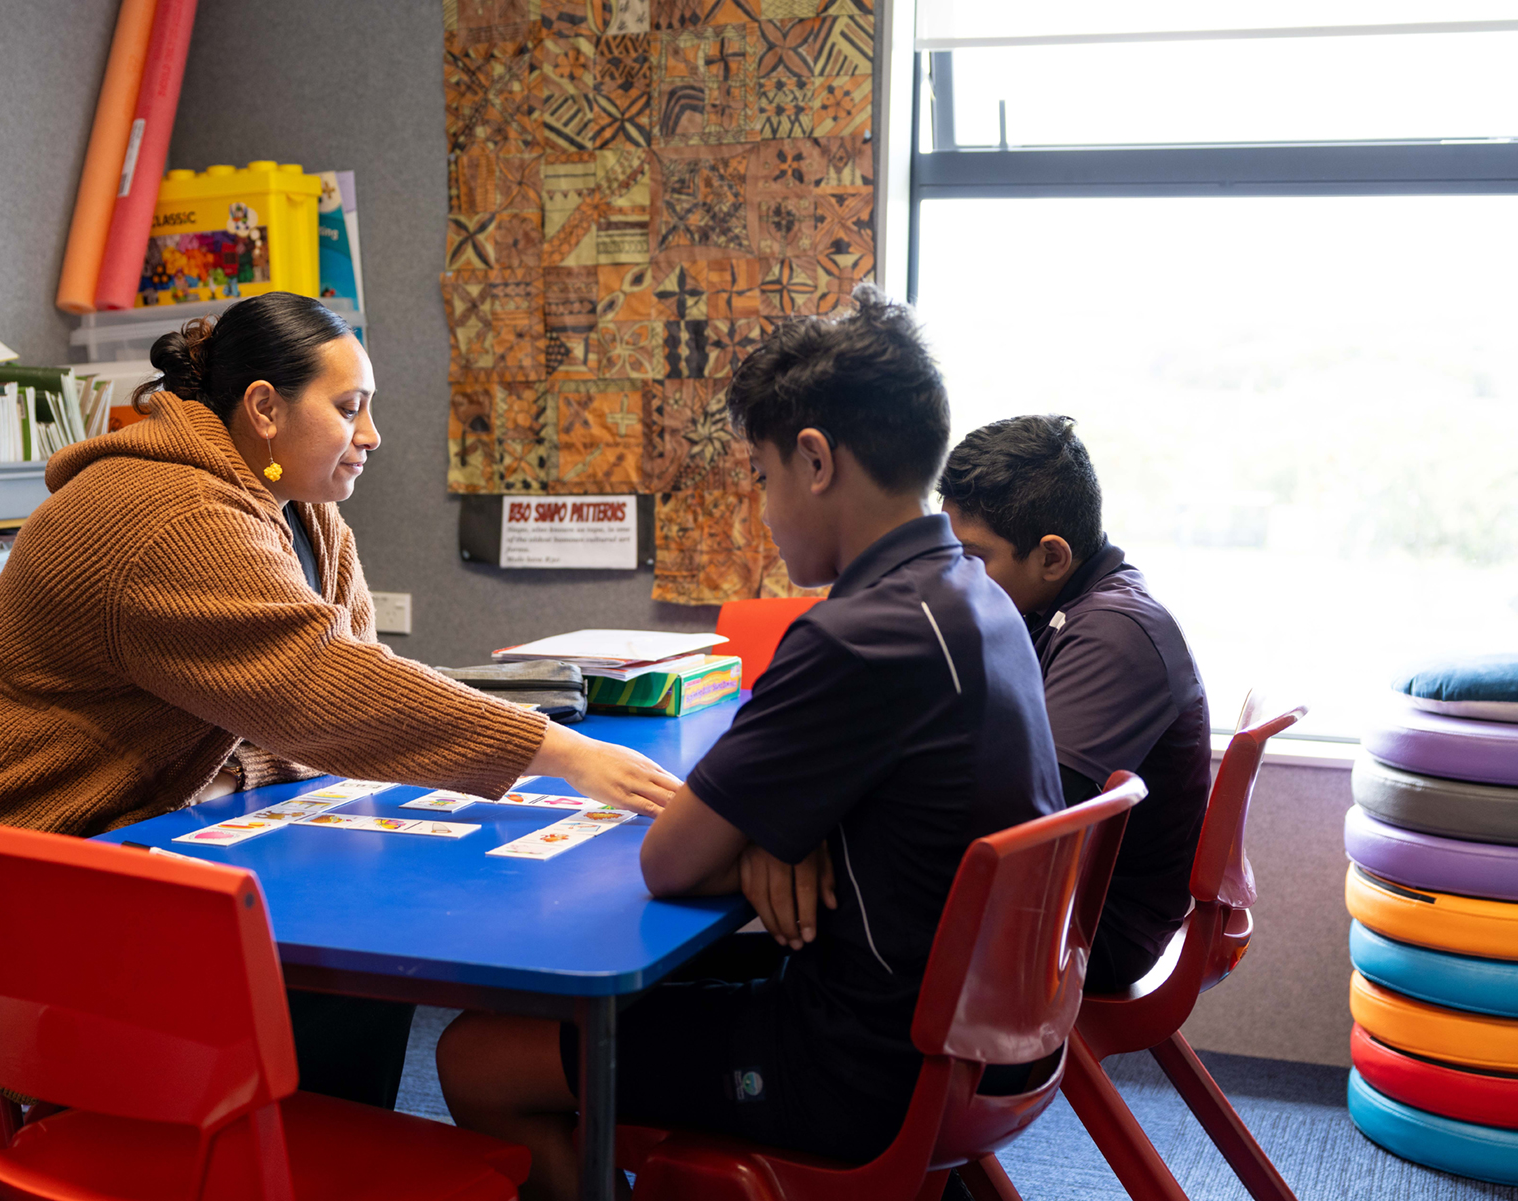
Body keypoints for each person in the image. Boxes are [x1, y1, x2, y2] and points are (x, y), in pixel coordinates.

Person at [0, 292, 681, 1106]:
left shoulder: (300, 512)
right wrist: (560, 750)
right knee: (342, 975)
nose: (372, 435)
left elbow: (326, 681)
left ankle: (304, 1162)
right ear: (266, 408)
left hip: (103, 844)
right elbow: (322, 686)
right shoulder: (166, 514)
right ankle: (265, 1163)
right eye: (350, 408)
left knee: (358, 954)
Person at [436, 285, 1064, 1200]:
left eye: (763, 476)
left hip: (860, 1069)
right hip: (981, 1038)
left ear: (815, 460)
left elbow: (668, 861)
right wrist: (785, 831)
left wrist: (762, 832)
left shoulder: (857, 633)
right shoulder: (976, 598)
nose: (765, 510)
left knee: (474, 1055)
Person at [938, 414, 1211, 992]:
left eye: (973, 558)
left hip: (1093, 926)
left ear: (1052, 557)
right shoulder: (1048, 607)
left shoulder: (1115, 633)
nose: (955, 580)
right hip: (1061, 899)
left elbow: (1028, 821)